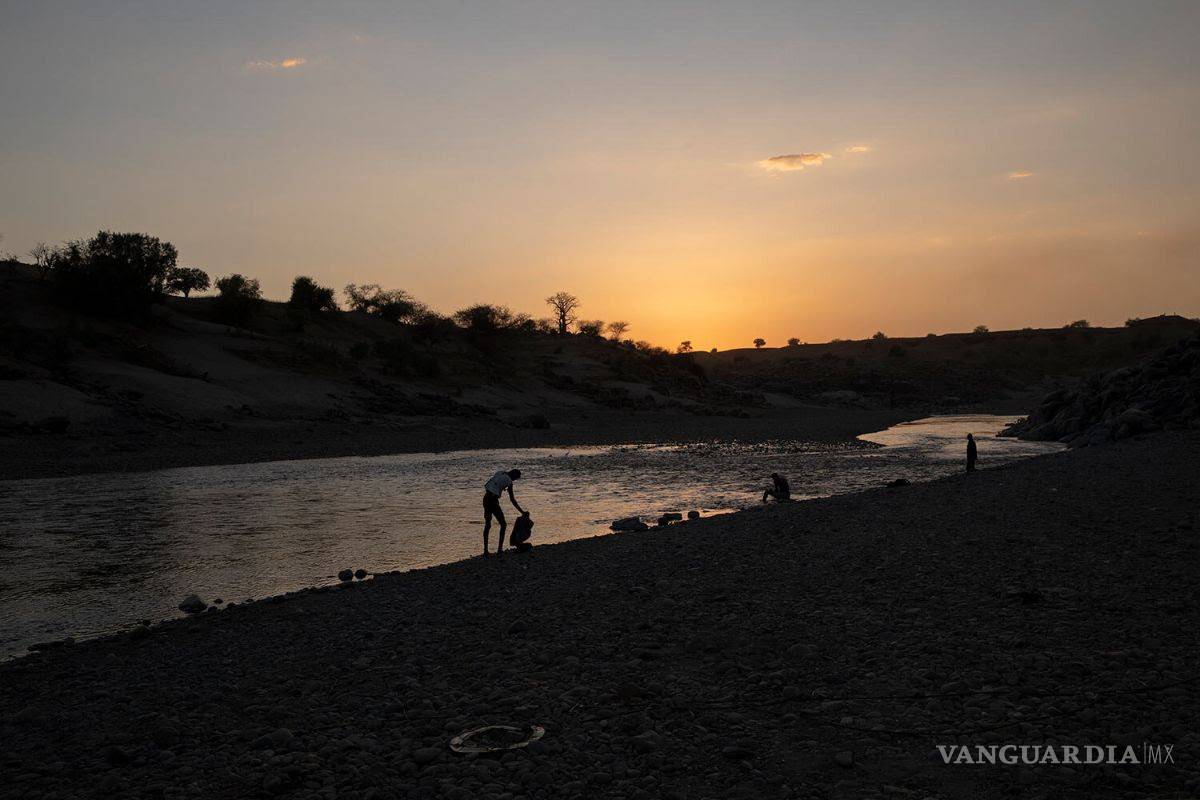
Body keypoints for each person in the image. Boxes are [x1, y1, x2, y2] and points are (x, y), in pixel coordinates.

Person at [483, 468, 523, 556]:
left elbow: (494, 483)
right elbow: (512, 500)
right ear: (514, 476)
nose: (514, 480)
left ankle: (485, 550)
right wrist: (522, 512)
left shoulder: (500, 472)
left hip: (486, 499)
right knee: (503, 524)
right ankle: (499, 550)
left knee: (487, 525)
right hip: (493, 501)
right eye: (515, 479)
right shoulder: (509, 482)